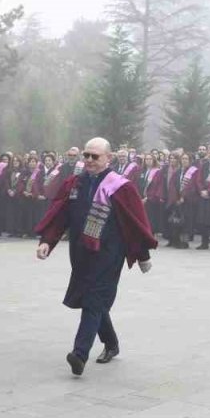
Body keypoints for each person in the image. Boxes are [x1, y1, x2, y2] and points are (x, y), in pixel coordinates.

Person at [35, 137, 156, 377]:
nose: (89, 160)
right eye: (86, 155)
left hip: (109, 253)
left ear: (108, 158)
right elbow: (60, 216)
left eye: (95, 156)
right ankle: (111, 343)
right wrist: (47, 242)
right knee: (94, 300)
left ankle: (79, 354)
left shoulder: (122, 187)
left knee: (93, 300)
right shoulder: (74, 184)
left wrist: (142, 255)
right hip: (81, 252)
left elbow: (135, 223)